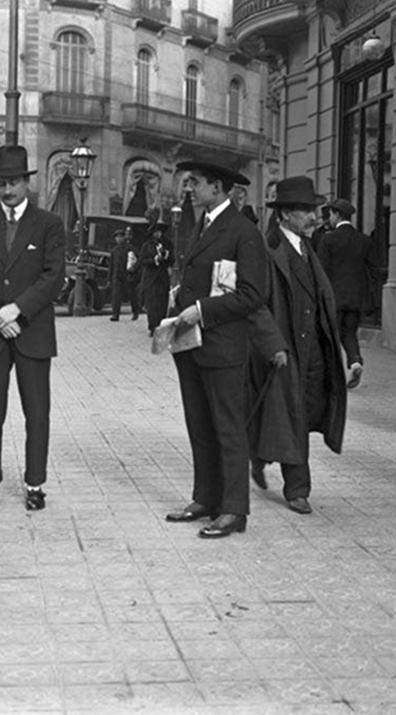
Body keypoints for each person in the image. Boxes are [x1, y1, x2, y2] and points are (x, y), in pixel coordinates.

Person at [164, 160, 267, 539]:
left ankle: (234, 510)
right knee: (199, 425)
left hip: (222, 347)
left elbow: (254, 295)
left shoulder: (243, 232)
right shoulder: (202, 224)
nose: (189, 188)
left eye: (197, 183)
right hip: (191, 345)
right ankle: (205, 498)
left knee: (227, 428)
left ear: (218, 187)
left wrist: (201, 309)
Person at [0, 145, 66, 511]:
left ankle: (35, 484)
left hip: (32, 333)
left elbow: (53, 277)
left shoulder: (49, 224)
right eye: (1, 183)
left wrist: (17, 312)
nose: (7, 190)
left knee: (36, 413)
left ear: (27, 183)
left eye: (14, 182)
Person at [247, 177, 348, 515]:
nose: (314, 216)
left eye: (314, 210)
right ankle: (297, 489)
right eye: (306, 211)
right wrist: (274, 344)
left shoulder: (308, 249)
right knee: (292, 414)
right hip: (285, 347)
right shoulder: (268, 249)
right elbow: (256, 304)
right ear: (285, 214)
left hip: (314, 350)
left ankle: (260, 453)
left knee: (304, 412)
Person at [316, 198, 379, 389]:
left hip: (333, 298)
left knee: (330, 337)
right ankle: (355, 361)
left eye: (331, 215)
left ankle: (332, 378)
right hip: (355, 299)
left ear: (336, 215)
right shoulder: (364, 240)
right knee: (349, 333)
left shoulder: (328, 239)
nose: (329, 219)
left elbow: (321, 271)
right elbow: (374, 270)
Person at [139, 220, 174, 336]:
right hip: (151, 278)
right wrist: (154, 260)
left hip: (162, 277)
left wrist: (167, 256)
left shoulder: (167, 244)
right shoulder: (147, 246)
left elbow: (172, 260)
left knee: (162, 303)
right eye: (156, 232)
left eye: (160, 232)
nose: (158, 234)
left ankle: (161, 325)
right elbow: (142, 260)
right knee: (152, 303)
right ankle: (153, 327)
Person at [109, 229, 140, 321]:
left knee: (131, 295)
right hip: (117, 276)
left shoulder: (130, 248)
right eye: (116, 237)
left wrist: (133, 271)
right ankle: (115, 314)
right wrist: (109, 278)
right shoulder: (114, 251)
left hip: (128, 276)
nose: (118, 239)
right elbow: (111, 265)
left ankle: (135, 311)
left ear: (124, 237)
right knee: (116, 296)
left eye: (120, 237)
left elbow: (138, 260)